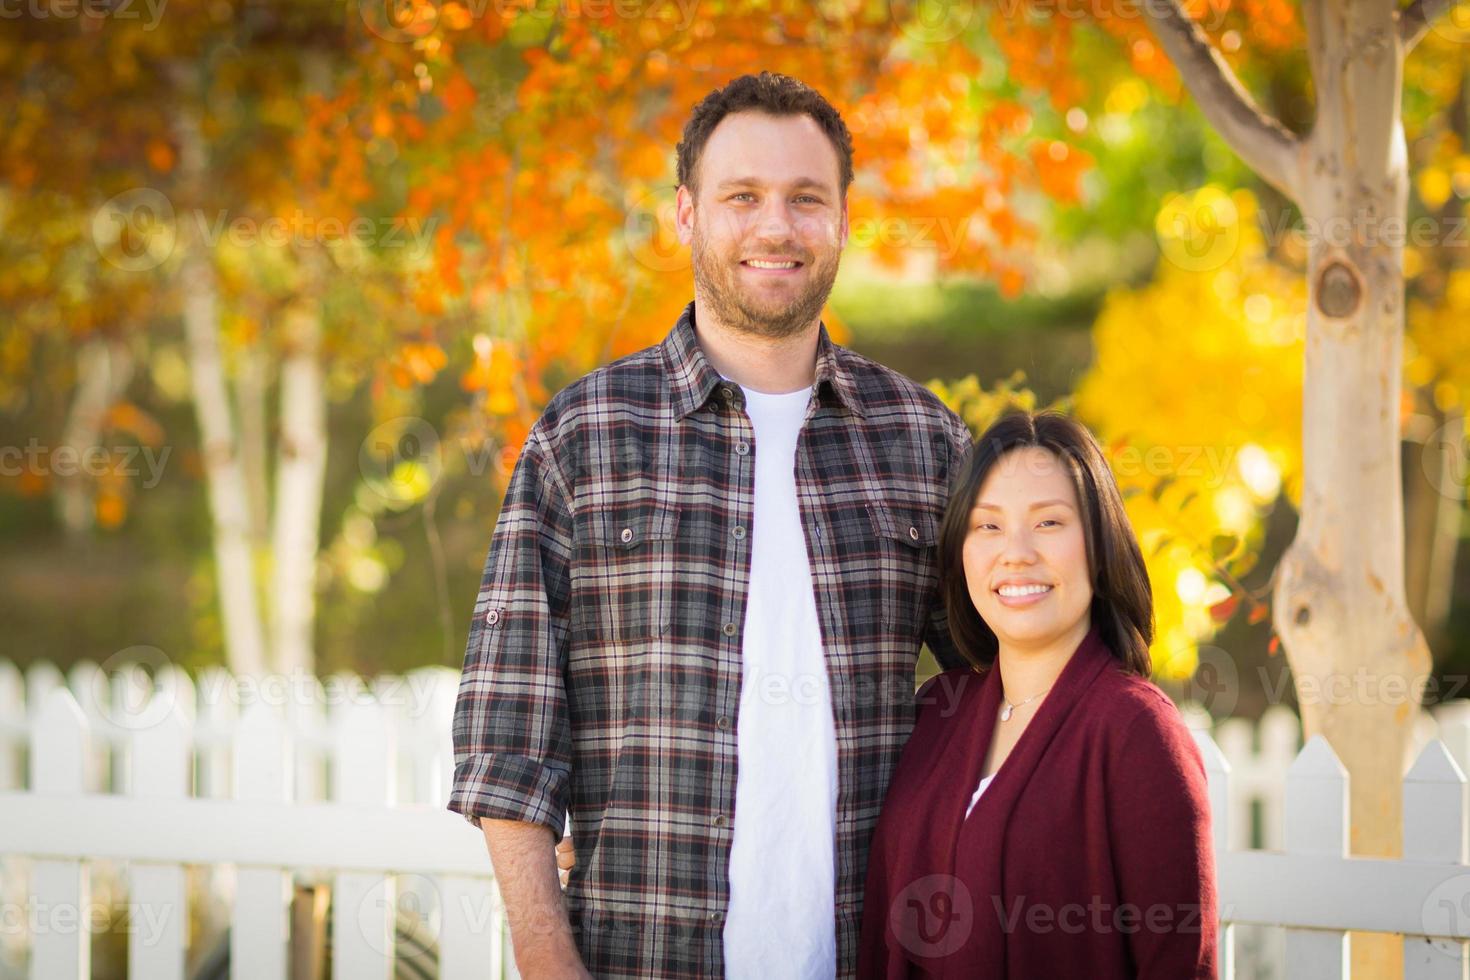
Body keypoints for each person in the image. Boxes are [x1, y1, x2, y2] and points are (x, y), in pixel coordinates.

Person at [448, 71, 973, 979]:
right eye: (743, 197)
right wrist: (547, 963)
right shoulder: (583, 438)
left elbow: (1012, 695)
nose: (776, 226)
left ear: (844, 218)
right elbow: (509, 742)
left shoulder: (922, 443)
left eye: (806, 198)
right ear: (686, 215)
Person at [858, 411, 1218, 978]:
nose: (1016, 553)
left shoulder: (1137, 734)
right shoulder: (937, 713)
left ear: (1099, 546)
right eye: (988, 526)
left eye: (1049, 523)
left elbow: (1177, 964)